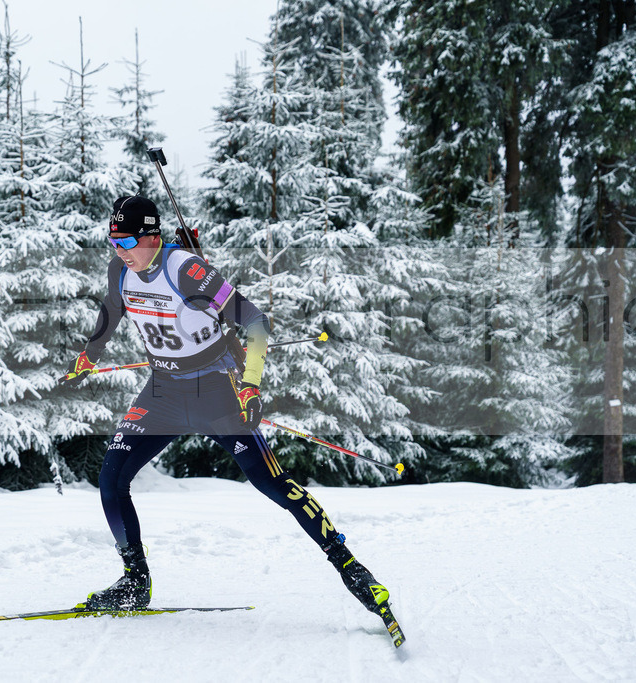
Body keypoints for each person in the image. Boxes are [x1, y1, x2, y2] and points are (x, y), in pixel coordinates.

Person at [62, 195, 395, 631]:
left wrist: (251, 384)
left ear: (152, 235)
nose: (119, 249)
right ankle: (135, 582)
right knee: (111, 478)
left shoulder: (186, 269)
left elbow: (254, 322)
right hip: (161, 391)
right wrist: (90, 354)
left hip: (217, 392)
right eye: (112, 240)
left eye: (126, 239)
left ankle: (354, 571)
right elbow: (112, 309)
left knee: (273, 485)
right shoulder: (120, 269)